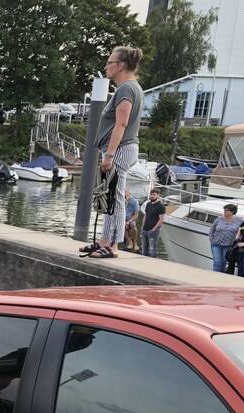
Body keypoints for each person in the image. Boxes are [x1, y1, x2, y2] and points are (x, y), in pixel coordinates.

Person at [85, 46, 144, 259]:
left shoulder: (126, 89)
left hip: (119, 149)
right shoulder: (131, 88)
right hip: (121, 148)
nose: (106, 66)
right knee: (111, 196)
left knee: (115, 198)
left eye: (110, 62)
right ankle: (104, 240)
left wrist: (109, 155)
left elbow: (121, 123)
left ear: (120, 65)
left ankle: (112, 244)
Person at [209, 203, 242, 273]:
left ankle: (221, 278)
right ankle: (214, 278)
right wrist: (211, 240)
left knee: (223, 263)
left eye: (226, 210)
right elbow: (212, 229)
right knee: (217, 262)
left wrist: (238, 241)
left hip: (228, 245)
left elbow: (242, 231)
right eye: (224, 210)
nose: (224, 211)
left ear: (232, 212)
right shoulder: (219, 219)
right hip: (216, 245)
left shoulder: (239, 220)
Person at [139, 189, 165, 258]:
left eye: (154, 194)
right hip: (145, 230)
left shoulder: (161, 206)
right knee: (144, 250)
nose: (152, 196)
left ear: (158, 195)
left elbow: (161, 219)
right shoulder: (148, 204)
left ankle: (153, 265)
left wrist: (154, 229)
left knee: (152, 250)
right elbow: (145, 215)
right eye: (151, 194)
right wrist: (142, 227)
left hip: (153, 231)